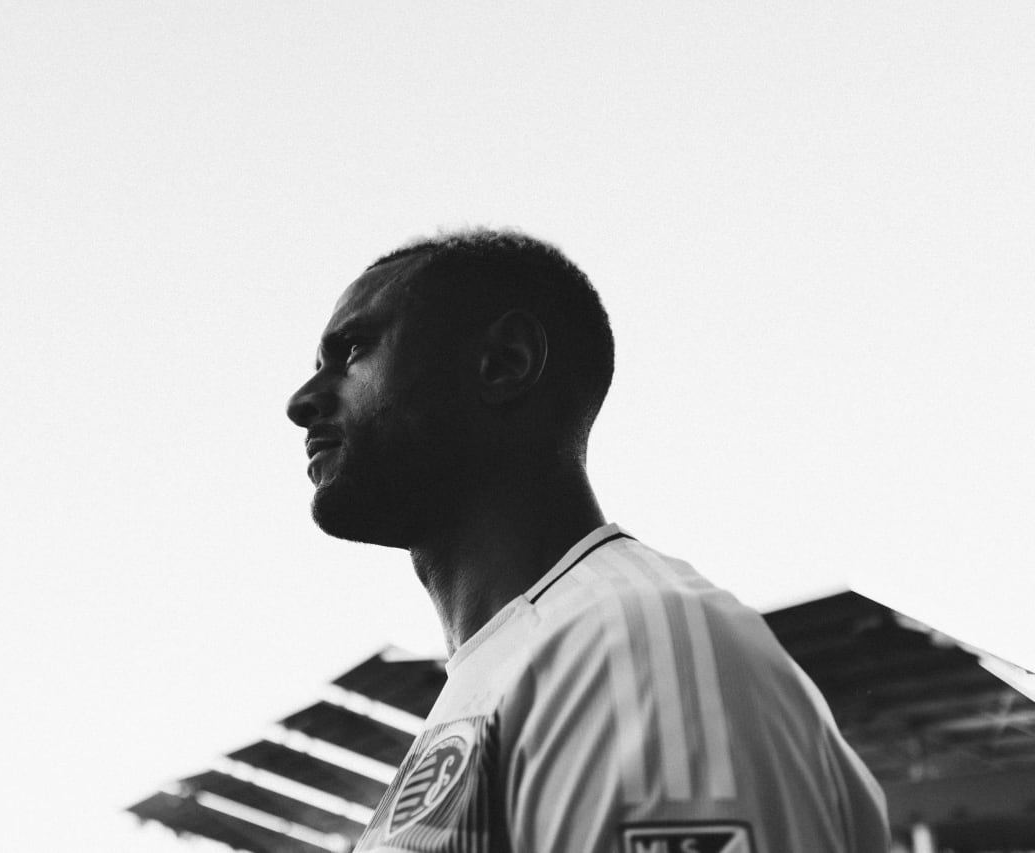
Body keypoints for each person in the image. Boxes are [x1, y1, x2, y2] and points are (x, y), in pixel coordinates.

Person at [286, 229, 888, 853]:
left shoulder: (631, 648)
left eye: (354, 350)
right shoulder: (514, 671)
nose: (301, 403)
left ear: (505, 362)